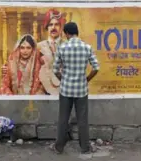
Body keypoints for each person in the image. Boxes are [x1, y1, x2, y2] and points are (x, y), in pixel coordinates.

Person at [50, 22, 100, 154]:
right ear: (77, 32)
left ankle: (59, 147)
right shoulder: (87, 47)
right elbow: (96, 68)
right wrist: (86, 79)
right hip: (81, 90)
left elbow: (55, 69)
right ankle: (85, 147)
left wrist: (64, 79)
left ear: (66, 33)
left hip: (66, 90)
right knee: (82, 120)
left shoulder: (62, 47)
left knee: (63, 119)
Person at [38, 9, 66, 95]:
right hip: (43, 91)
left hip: (64, 90)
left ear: (61, 27)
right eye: (50, 24)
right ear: (47, 27)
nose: (53, 27)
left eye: (56, 24)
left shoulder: (67, 45)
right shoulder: (38, 46)